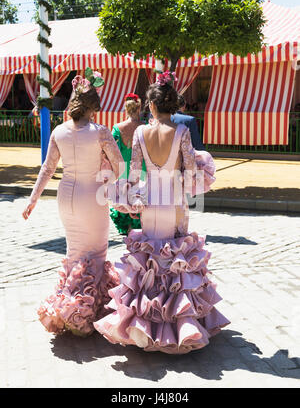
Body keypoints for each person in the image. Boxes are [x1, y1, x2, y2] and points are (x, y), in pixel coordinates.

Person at [94, 71, 230, 354]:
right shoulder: (181, 132)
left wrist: (126, 198)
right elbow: (191, 173)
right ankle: (179, 324)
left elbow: (132, 176)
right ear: (174, 105)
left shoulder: (141, 133)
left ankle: (146, 324)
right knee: (177, 261)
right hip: (175, 201)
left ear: (151, 106)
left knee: (150, 262)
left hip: (149, 200)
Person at [22, 70, 125, 337]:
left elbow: (47, 169)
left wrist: (33, 199)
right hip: (91, 195)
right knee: (95, 254)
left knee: (75, 254)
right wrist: (108, 176)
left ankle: (68, 308)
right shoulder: (101, 132)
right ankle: (85, 315)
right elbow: (120, 166)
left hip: (65, 195)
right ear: (92, 107)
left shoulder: (58, 131)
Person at [110, 93, 147, 235]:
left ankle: (127, 227)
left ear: (126, 109)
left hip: (123, 170)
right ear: (139, 108)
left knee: (124, 196)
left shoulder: (118, 128)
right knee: (140, 195)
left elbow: (111, 150)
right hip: (141, 170)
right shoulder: (145, 127)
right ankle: (139, 225)